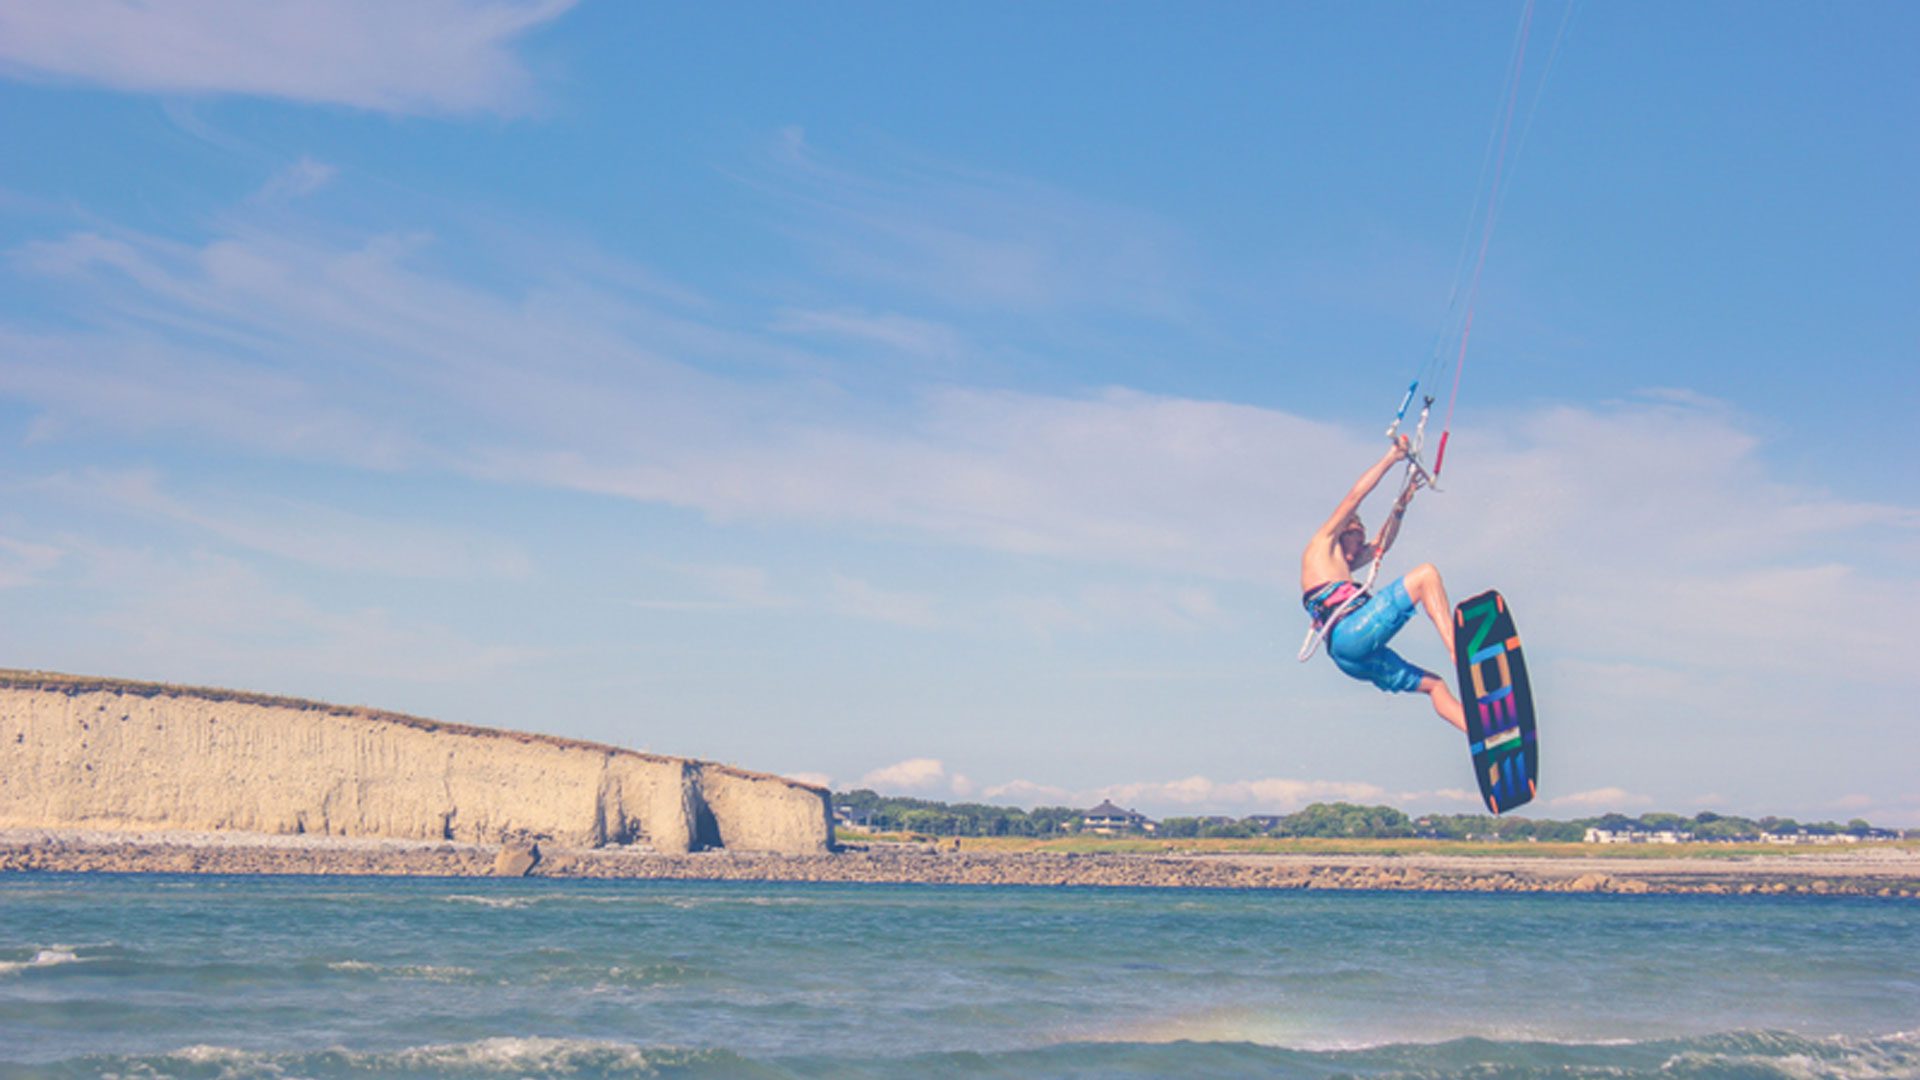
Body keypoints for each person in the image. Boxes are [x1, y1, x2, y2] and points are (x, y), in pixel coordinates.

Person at [1300, 436, 1466, 732]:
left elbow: (1380, 546)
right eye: (1355, 540)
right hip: (1350, 634)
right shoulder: (1323, 544)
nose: (1358, 550)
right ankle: (1458, 651)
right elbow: (1355, 497)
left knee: (1435, 686)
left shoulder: (1341, 567)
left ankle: (1479, 731)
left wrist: (1401, 506)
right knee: (1426, 575)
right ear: (1344, 531)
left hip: (1351, 658)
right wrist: (1392, 458)